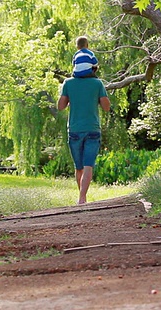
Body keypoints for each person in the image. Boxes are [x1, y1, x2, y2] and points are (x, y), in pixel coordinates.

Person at [58, 43, 110, 204]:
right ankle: (82, 198)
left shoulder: (68, 83)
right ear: (92, 68)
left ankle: (81, 196)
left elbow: (60, 106)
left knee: (78, 166)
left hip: (74, 129)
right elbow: (106, 107)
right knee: (89, 165)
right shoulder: (97, 84)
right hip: (92, 129)